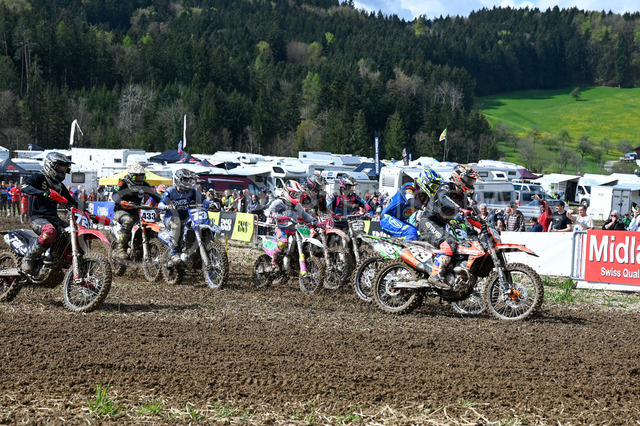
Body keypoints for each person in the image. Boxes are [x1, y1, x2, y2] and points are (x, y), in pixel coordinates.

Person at [420, 164, 480, 290]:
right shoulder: (446, 187)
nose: (471, 184)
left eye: (472, 181)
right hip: (428, 222)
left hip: (442, 226)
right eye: (469, 180)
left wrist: (485, 224)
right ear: (459, 178)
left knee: (462, 246)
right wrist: (459, 209)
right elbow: (444, 198)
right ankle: (435, 276)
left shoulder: (462, 197)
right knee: (449, 243)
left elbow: (470, 216)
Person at [19, 152, 77, 275]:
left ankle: (56, 258)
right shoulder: (39, 177)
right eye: (60, 167)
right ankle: (28, 259)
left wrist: (89, 213)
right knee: (50, 232)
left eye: (64, 168)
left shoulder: (60, 186)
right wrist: (42, 193)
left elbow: (72, 201)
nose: (62, 171)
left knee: (72, 232)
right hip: (38, 218)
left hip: (53, 218)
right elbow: (23, 186)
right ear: (51, 165)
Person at [110, 163, 162, 257]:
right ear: (130, 176)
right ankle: (120, 249)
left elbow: (156, 195)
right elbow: (114, 194)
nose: (139, 179)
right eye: (136, 177)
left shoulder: (144, 184)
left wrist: (164, 203)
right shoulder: (123, 183)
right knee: (128, 221)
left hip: (136, 210)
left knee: (147, 223)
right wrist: (121, 202)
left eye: (141, 177)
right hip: (121, 211)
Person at [264, 180, 316, 271]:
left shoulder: (297, 205)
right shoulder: (279, 202)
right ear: (287, 192)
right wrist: (275, 215)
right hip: (282, 228)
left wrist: (314, 221)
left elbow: (304, 215)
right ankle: (274, 260)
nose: (297, 197)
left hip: (294, 229)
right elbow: (268, 211)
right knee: (283, 241)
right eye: (294, 194)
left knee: (304, 243)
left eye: (298, 195)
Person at [380, 168, 443, 241]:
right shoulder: (409, 186)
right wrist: (423, 208)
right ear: (425, 183)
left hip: (400, 220)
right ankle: (407, 248)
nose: (435, 190)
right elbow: (410, 200)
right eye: (434, 187)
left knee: (420, 235)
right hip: (387, 218)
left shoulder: (425, 197)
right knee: (411, 232)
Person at [158, 169, 202, 265]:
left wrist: (212, 203)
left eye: (189, 180)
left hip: (187, 217)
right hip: (171, 218)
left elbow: (203, 200)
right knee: (177, 224)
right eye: (185, 180)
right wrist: (167, 206)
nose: (188, 182)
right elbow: (160, 204)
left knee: (199, 224)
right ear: (178, 180)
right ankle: (173, 252)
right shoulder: (170, 191)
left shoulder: (192, 192)